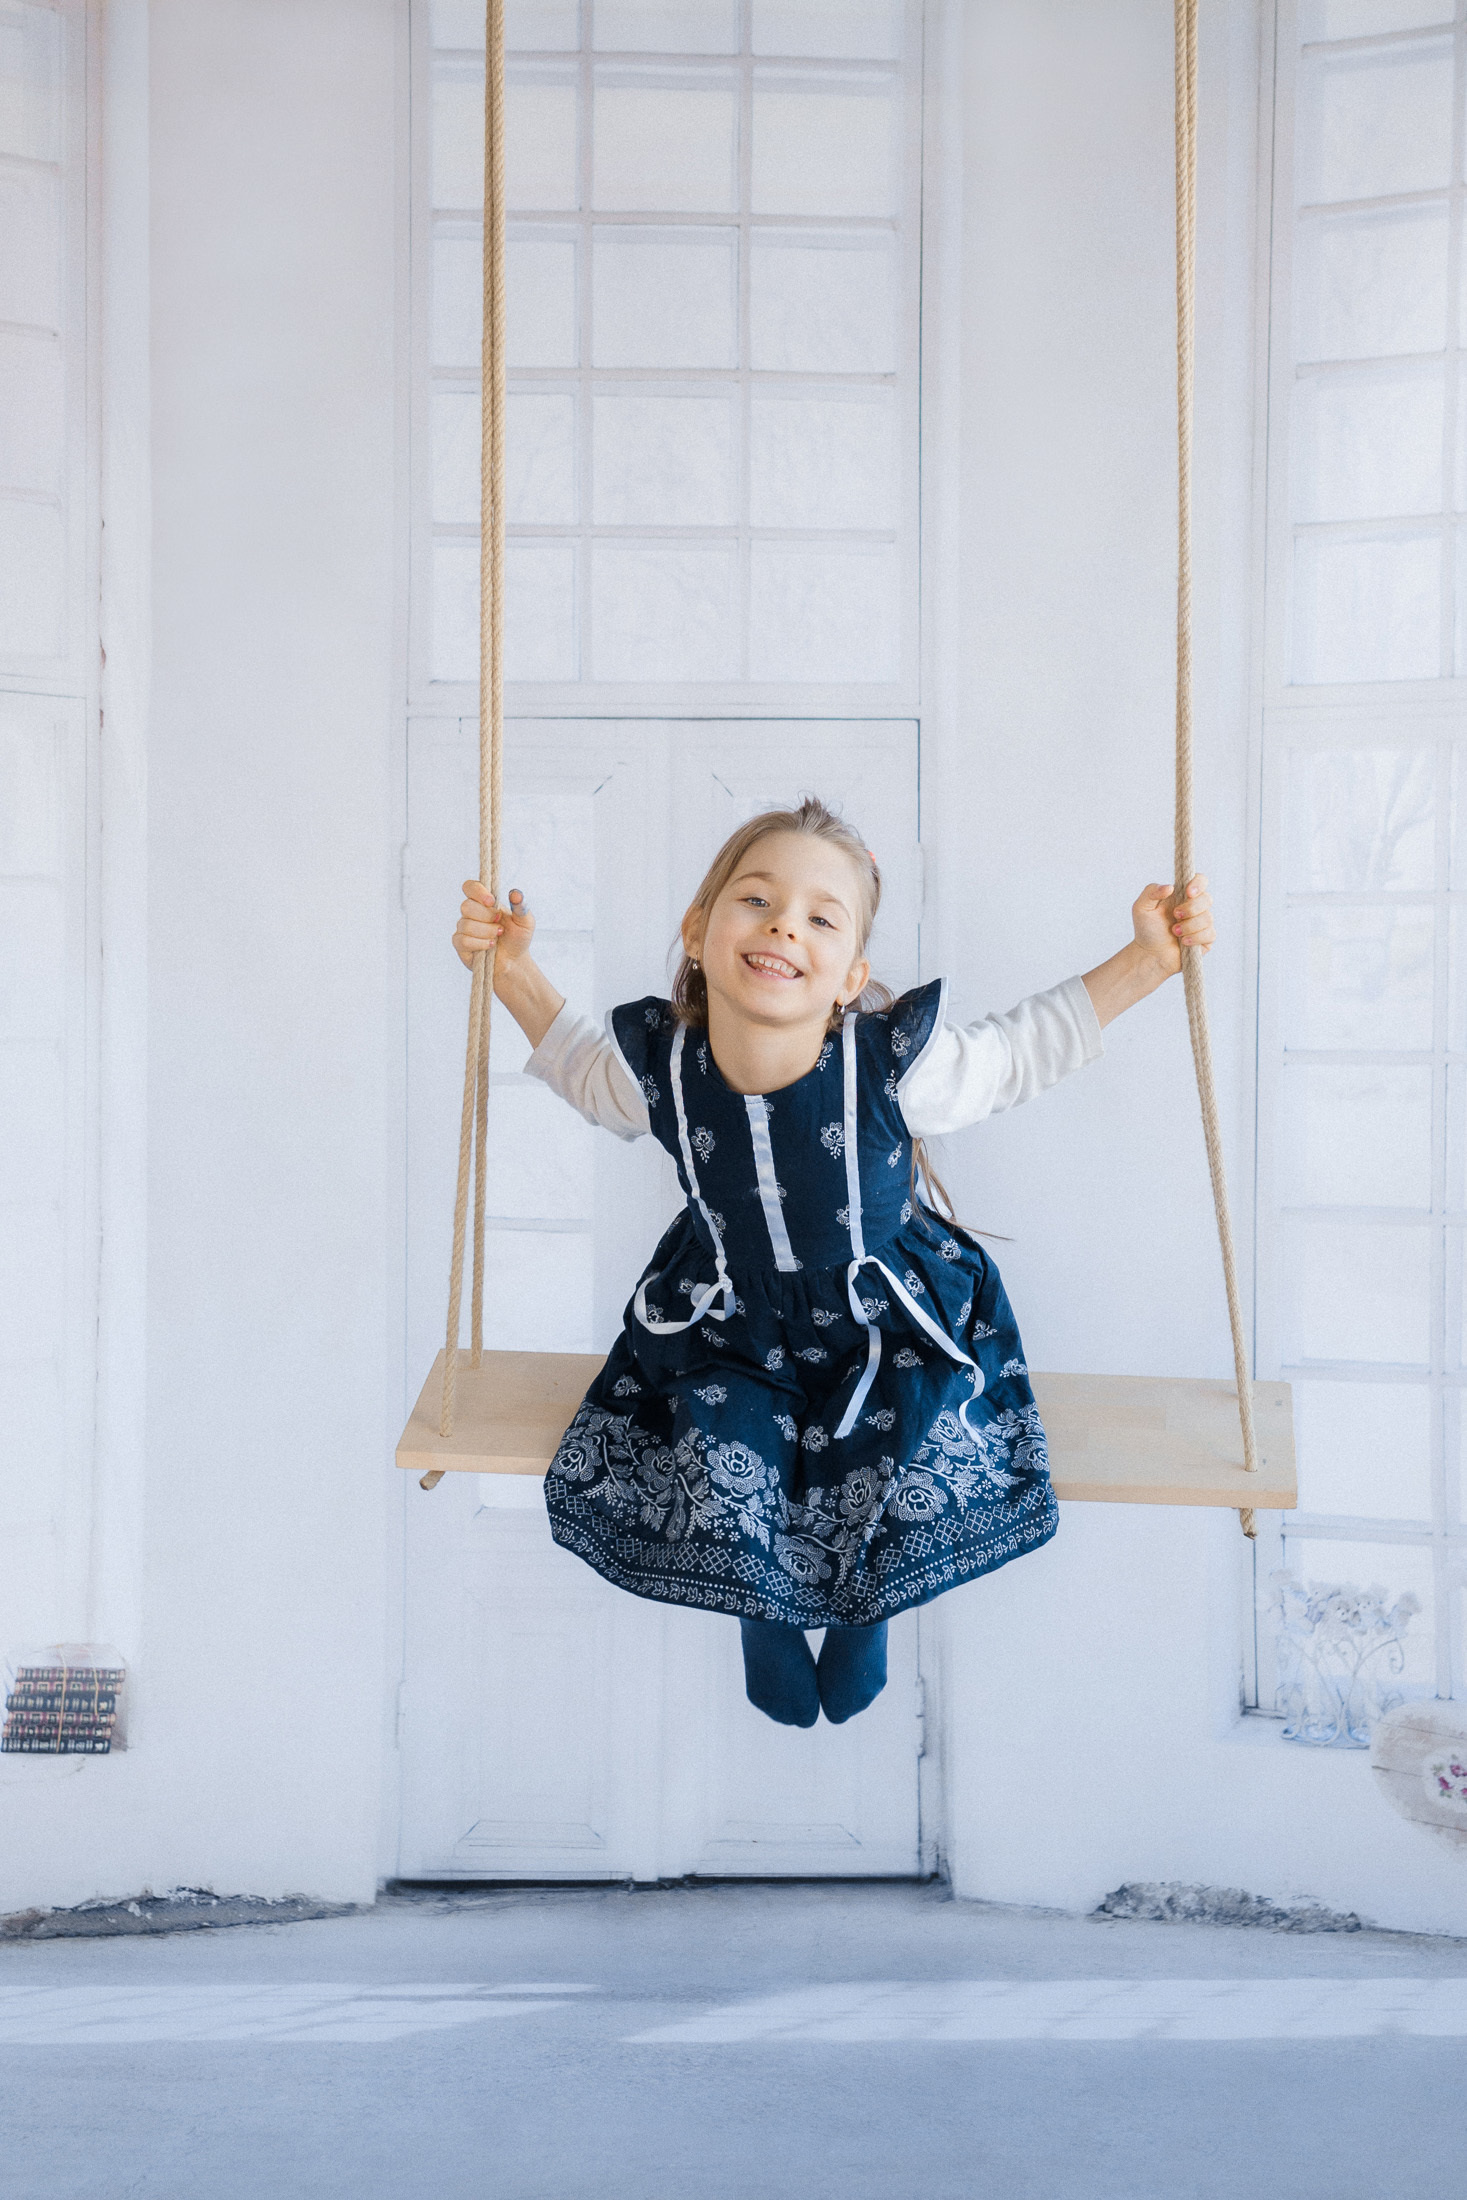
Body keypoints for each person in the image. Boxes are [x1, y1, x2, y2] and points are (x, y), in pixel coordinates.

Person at [452, 798, 1215, 1729]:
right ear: (696, 931)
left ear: (850, 976)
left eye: (821, 917)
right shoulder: (663, 1069)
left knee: (903, 1433)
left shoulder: (892, 1067)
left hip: (883, 1318)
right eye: (756, 900)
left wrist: (1148, 959)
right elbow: (576, 1062)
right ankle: (762, 1606)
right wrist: (510, 969)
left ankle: (868, 1607)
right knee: (716, 1435)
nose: (783, 925)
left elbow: (1018, 1051)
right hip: (728, 1320)